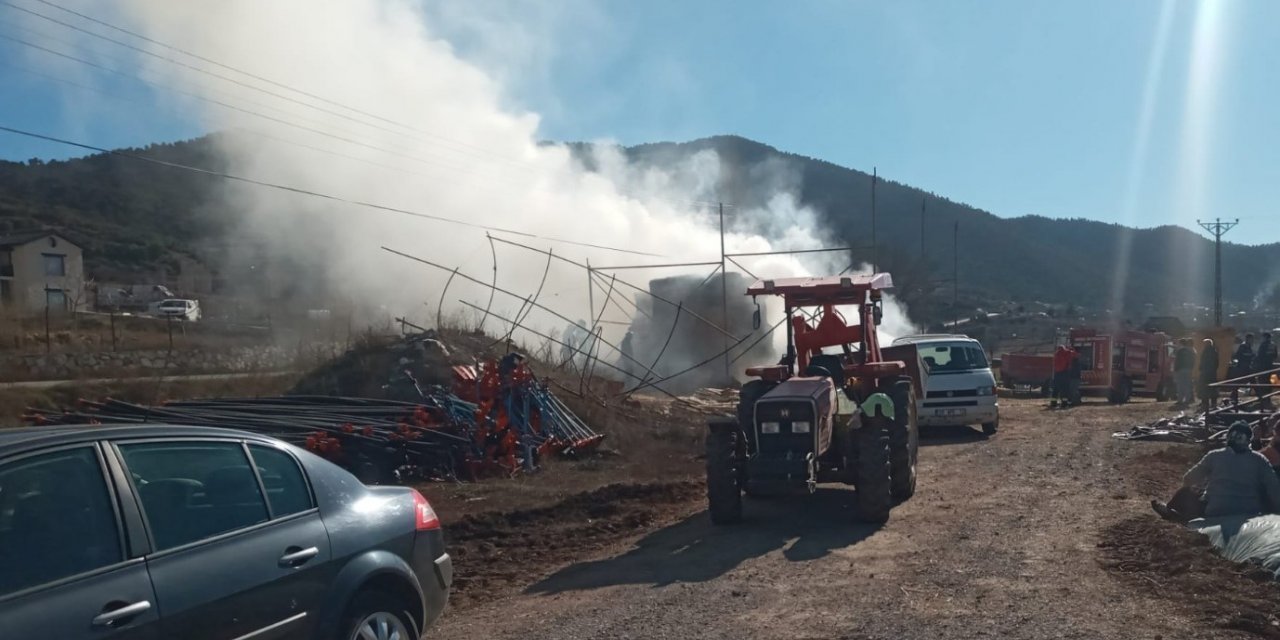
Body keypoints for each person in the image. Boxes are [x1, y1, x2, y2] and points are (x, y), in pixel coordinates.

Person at [1151, 421, 1280, 522]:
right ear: (1248, 440)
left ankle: (1175, 513)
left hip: (1216, 510)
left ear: (1228, 437)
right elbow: (1274, 488)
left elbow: (1188, 478)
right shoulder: (1259, 459)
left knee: (1185, 492)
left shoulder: (1214, 456)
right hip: (1249, 511)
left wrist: (1200, 488)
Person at [1255, 333, 1277, 410]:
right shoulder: (1273, 345)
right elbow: (1275, 355)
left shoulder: (1263, 345)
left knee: (1262, 383)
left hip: (1262, 367)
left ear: (1264, 337)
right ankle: (1268, 399)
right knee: (1268, 383)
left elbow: (1259, 356)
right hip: (1269, 366)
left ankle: (1263, 401)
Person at [1173, 338, 1196, 407]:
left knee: (1180, 385)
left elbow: (1177, 361)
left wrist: (1175, 369)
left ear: (1181, 343)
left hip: (1180, 370)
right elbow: (1193, 360)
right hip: (1188, 369)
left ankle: (1180, 400)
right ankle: (1187, 400)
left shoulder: (1180, 351)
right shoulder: (1190, 351)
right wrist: (1191, 368)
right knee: (1187, 385)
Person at [1198, 338, 1220, 413]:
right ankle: (1214, 403)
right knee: (1213, 388)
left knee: (1204, 388)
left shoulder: (1205, 351)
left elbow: (1203, 362)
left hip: (1205, 373)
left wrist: (1201, 369)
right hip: (1212, 373)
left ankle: (1205, 403)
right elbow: (1217, 363)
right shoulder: (1214, 351)